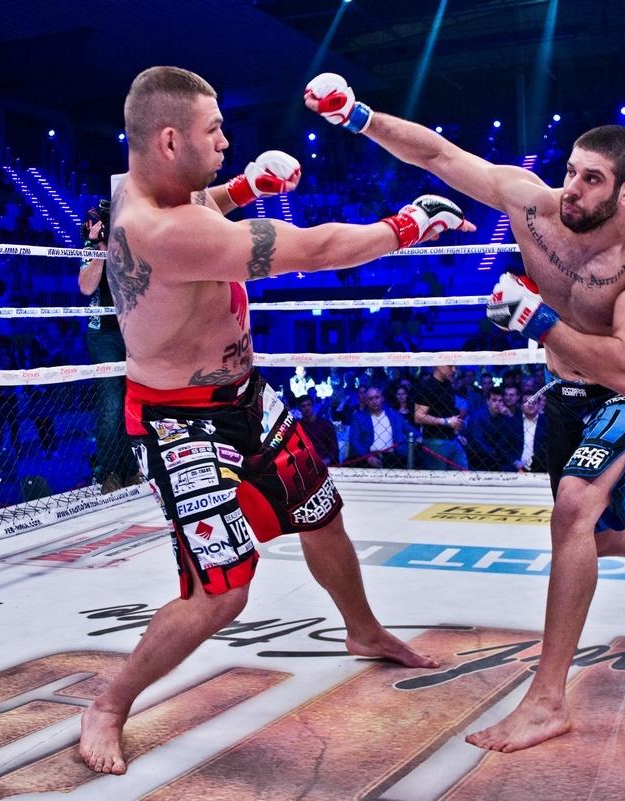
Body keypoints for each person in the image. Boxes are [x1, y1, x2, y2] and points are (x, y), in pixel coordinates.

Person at [307, 74, 625, 752]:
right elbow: (439, 155)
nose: (571, 189)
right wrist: (359, 116)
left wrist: (538, 319)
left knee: (574, 511)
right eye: (571, 171)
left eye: (592, 180)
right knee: (601, 536)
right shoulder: (534, 206)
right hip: (564, 395)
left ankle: (548, 700)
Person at [79, 66, 471, 776]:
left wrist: (244, 188)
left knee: (321, 512)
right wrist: (408, 225)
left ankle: (363, 630)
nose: (226, 141)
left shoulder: (135, 185)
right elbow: (316, 250)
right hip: (178, 422)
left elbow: (201, 200)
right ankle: (108, 703)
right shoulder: (164, 229)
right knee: (221, 593)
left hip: (246, 397)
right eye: (214, 130)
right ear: (169, 140)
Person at [79, 201, 139, 493]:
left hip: (132, 330)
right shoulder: (89, 248)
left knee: (131, 402)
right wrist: (100, 248)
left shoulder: (130, 245)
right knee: (111, 404)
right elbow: (86, 287)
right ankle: (109, 471)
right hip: (102, 334)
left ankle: (131, 469)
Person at [414, 364, 468, 470]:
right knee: (440, 477)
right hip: (435, 440)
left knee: (463, 472)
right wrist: (446, 422)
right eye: (450, 366)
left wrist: (457, 433)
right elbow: (418, 417)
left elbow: (448, 412)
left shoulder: (448, 385)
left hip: (452, 439)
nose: (454, 370)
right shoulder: (427, 387)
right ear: (439, 365)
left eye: (455, 367)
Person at [348, 386, 412, 467]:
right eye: (370, 399)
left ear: (382, 398)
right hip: (368, 455)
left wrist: (419, 438)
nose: (374, 401)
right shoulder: (358, 417)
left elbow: (410, 429)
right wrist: (367, 457)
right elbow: (354, 440)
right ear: (366, 401)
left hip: (392, 456)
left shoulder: (394, 415)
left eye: (377, 397)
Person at [295, 394, 339, 465]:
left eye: (309, 405)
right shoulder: (298, 426)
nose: (306, 408)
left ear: (313, 406)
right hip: (306, 463)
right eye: (303, 406)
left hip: (324, 462)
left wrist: (327, 460)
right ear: (299, 409)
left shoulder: (325, 424)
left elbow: (334, 448)